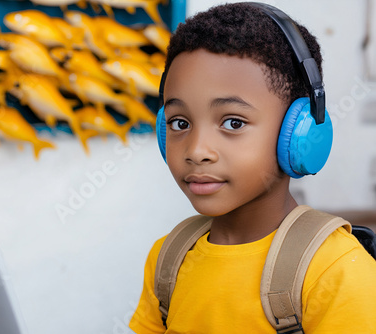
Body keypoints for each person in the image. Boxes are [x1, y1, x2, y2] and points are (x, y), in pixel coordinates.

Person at [129, 2, 376, 333]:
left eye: (233, 122)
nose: (197, 150)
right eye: (179, 122)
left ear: (300, 133)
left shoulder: (334, 270)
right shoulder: (168, 260)